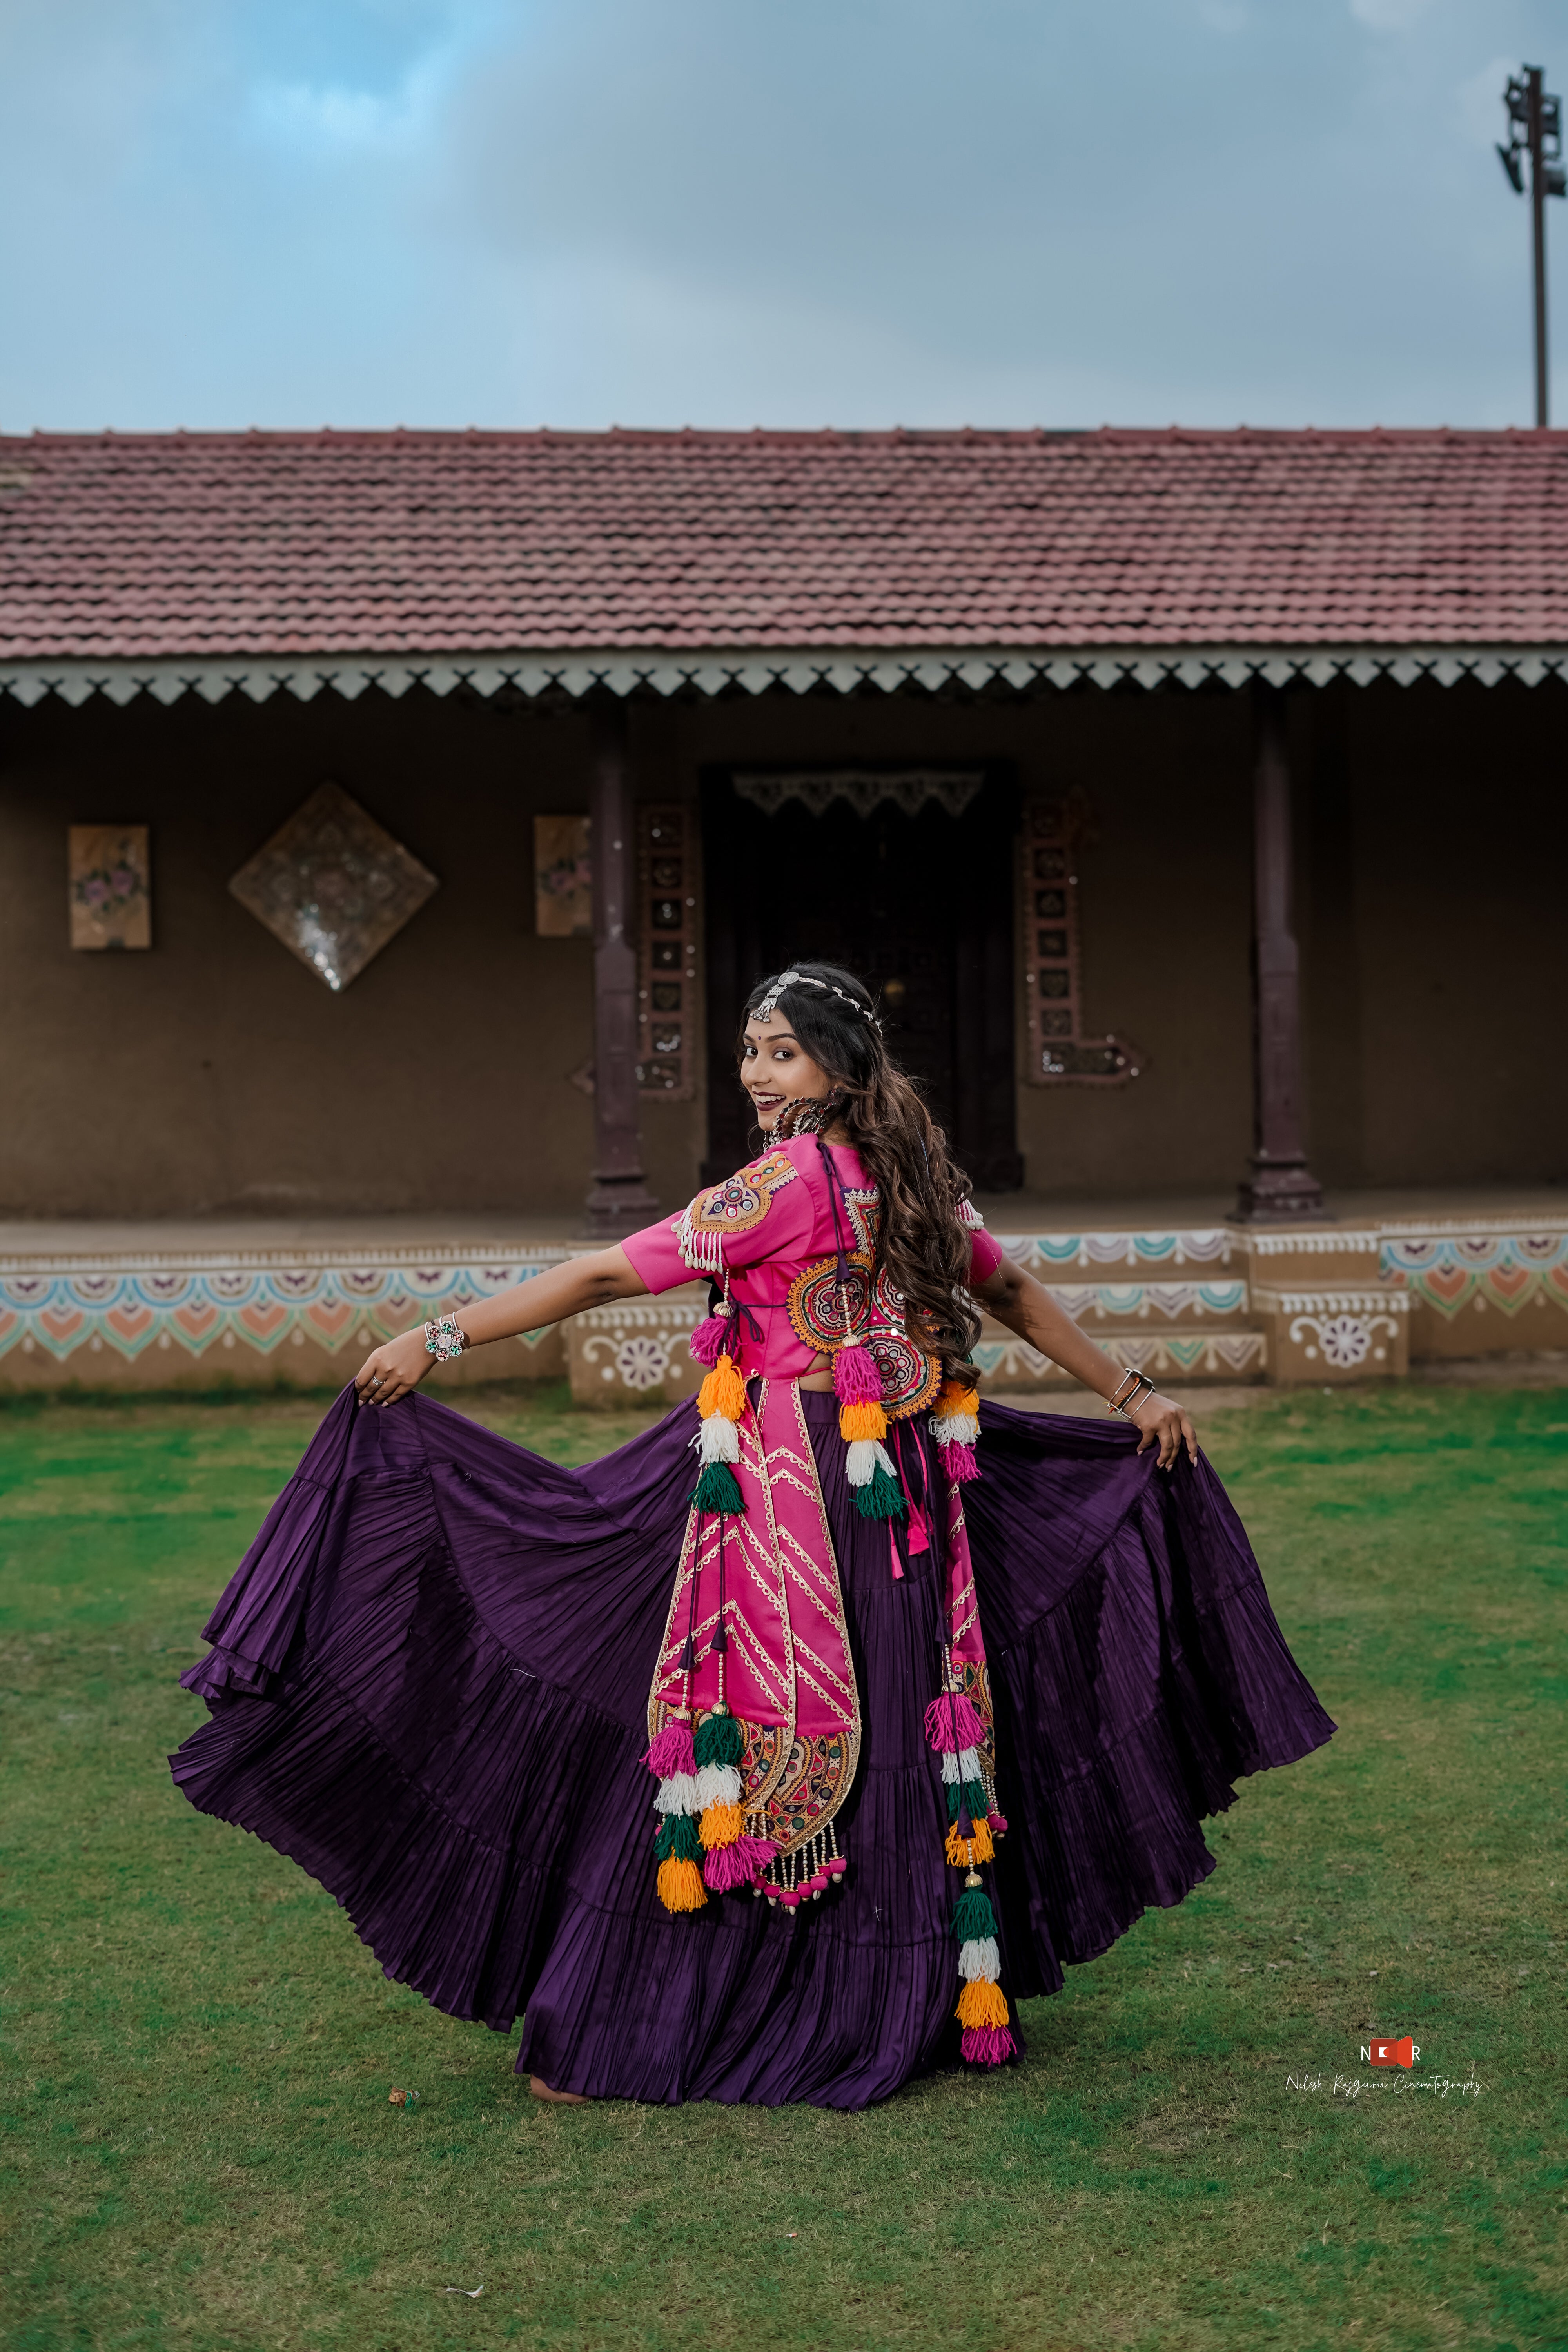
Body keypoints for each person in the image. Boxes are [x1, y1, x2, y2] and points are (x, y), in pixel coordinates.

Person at [171, 960, 1332, 2111]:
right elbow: (1014, 1293)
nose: (759, 1074)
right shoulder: (917, 1179)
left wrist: (440, 1334)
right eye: (751, 1052)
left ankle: (660, 2023)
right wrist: (1133, 1393)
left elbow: (595, 1276)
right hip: (906, 1486)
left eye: (783, 1051)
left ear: (840, 1062)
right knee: (889, 1724)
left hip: (796, 1486)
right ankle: (896, 2000)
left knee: (724, 1724)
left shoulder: (775, 1188)